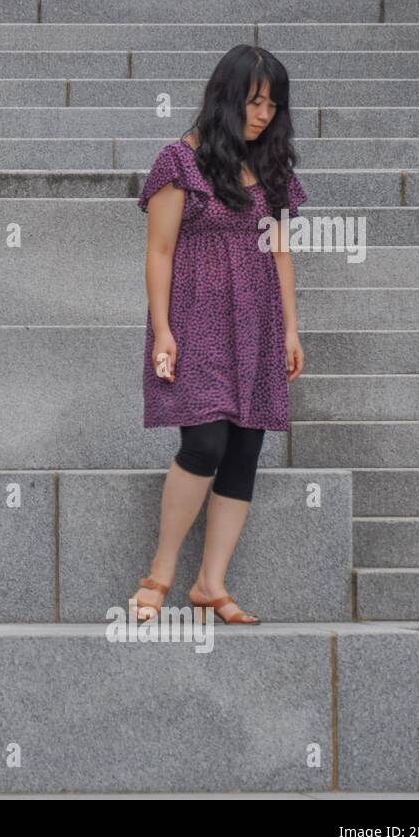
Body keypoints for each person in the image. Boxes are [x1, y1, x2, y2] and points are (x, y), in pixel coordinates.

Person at [129, 44, 309, 626]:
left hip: (258, 322)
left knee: (246, 449)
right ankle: (159, 573)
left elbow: (280, 252)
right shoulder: (178, 163)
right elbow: (159, 253)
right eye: (255, 101)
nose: (264, 114)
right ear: (227, 98)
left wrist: (290, 328)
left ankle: (211, 583)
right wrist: (162, 329)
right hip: (197, 319)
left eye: (273, 105)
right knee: (204, 443)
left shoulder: (272, 167)